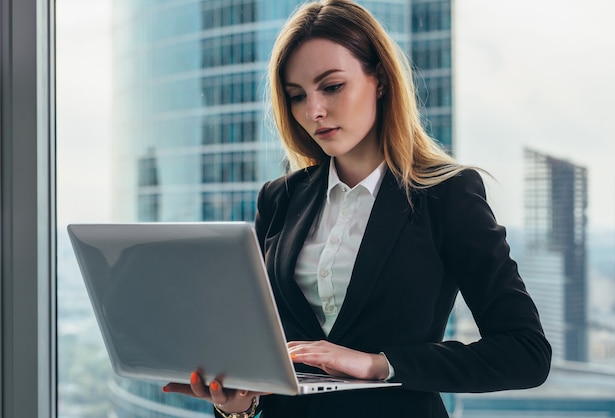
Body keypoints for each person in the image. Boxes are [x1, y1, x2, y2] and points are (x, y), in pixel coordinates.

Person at [163, 0, 552, 416]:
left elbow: (525, 352)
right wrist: (237, 405)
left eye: (331, 87)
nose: (314, 111)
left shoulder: (447, 195)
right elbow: (261, 348)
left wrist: (378, 364)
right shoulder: (278, 199)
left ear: (380, 80)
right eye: (297, 96)